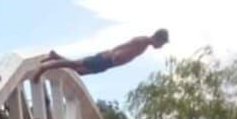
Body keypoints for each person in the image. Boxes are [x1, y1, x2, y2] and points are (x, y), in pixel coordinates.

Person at [34, 29, 168, 80]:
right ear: (158, 38)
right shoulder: (142, 42)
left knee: (79, 71)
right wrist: (114, 56)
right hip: (107, 59)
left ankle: (56, 57)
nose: (161, 47)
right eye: (162, 43)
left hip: (108, 63)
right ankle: (44, 68)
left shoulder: (144, 44)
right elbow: (124, 47)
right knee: (75, 64)